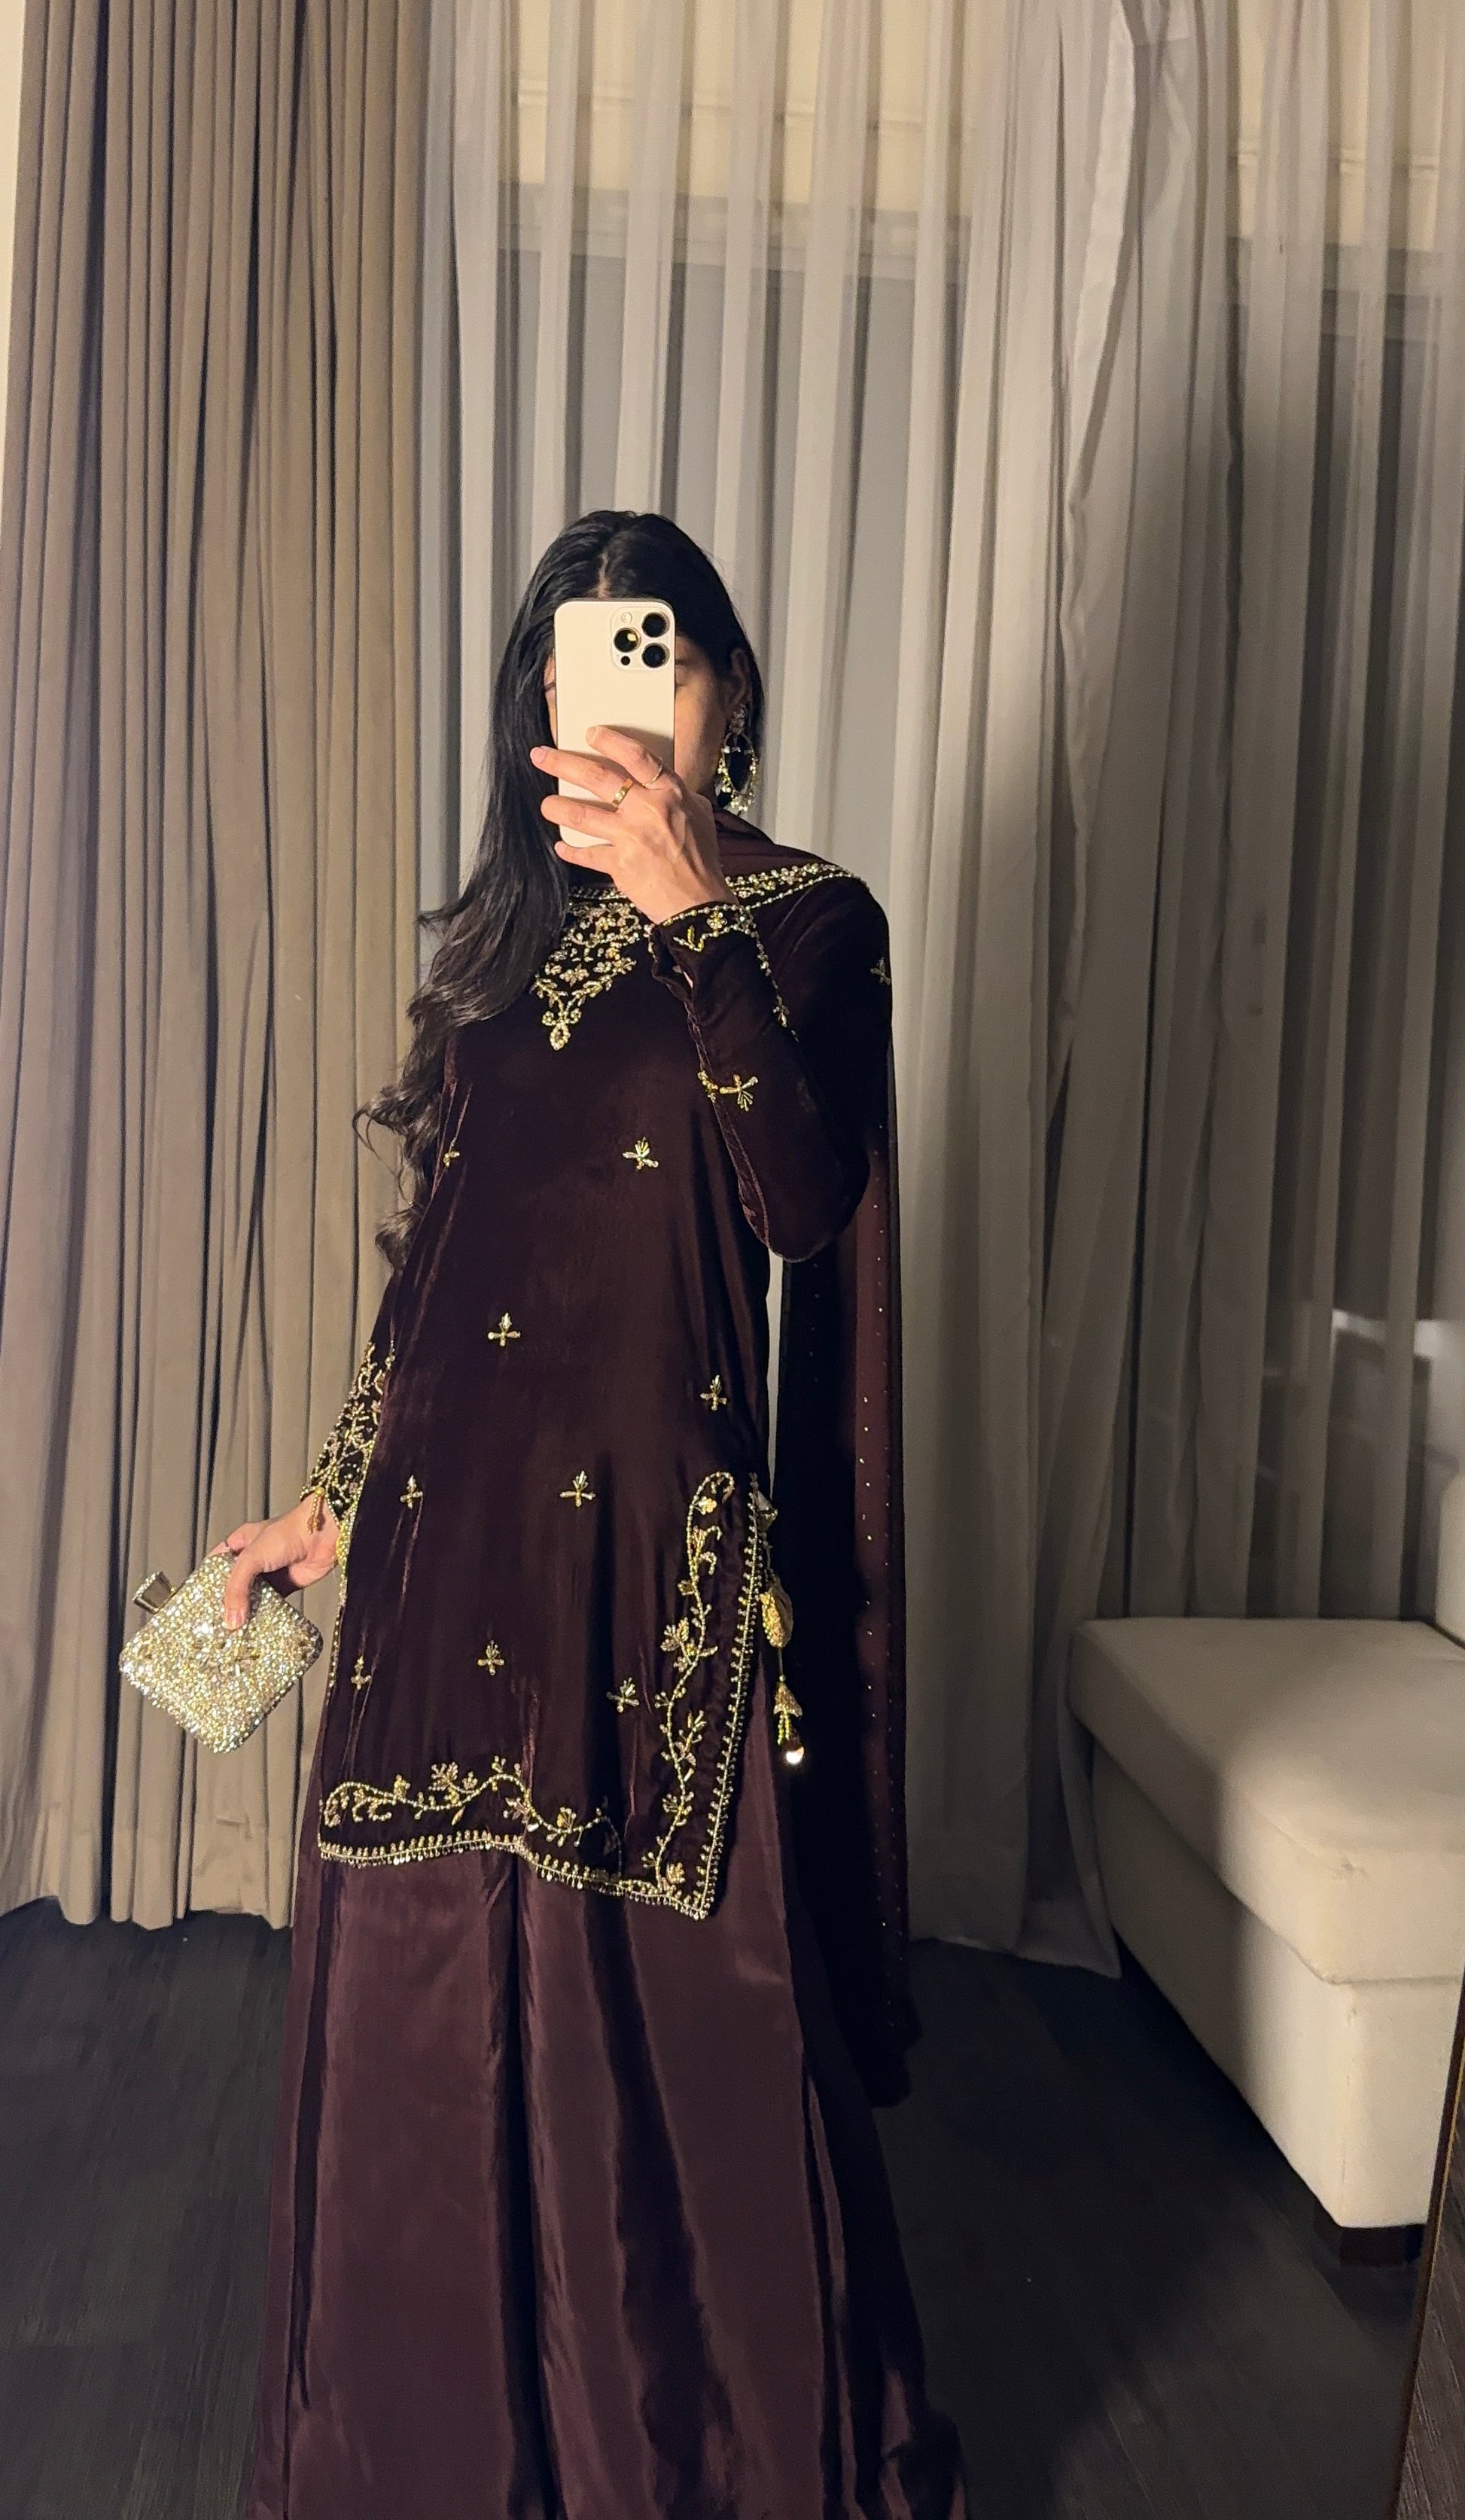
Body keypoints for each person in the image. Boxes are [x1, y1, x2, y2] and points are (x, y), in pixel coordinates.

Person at [230, 510, 969, 2520]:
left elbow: (802, 1204)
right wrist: (324, 1505)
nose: (627, 702)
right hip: (439, 1550)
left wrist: (690, 922)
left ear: (727, 697)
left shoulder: (812, 925)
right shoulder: (496, 959)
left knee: (677, 2040)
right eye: (580, 665)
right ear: (538, 708)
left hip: (650, 1555)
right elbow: (439, 1265)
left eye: (664, 659)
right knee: (417, 2021)